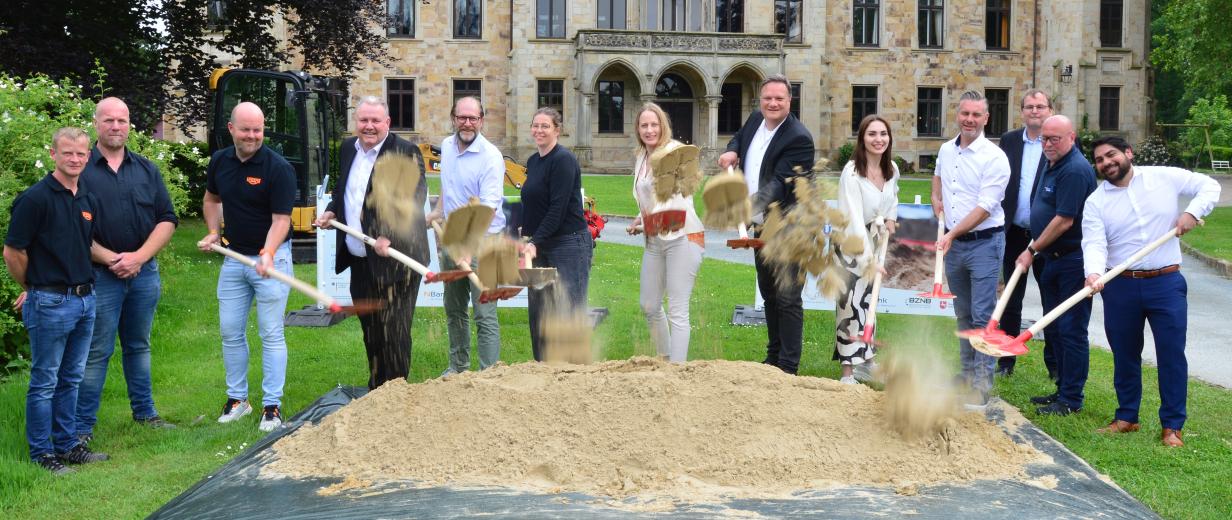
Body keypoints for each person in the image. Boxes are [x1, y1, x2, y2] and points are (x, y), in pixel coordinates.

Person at [1082, 136, 1219, 447]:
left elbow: (1209, 186)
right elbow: (1094, 242)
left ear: (1128, 153)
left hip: (1165, 283)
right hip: (1120, 285)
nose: (1106, 162)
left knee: (1171, 354)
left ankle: (1172, 426)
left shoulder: (1163, 177)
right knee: (1125, 354)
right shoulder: (1096, 202)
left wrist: (1192, 213)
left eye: (1111, 155)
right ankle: (1127, 417)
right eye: (1100, 160)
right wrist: (1093, 273)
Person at [73, 97, 179, 445]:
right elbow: (70, 226)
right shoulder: (80, 170)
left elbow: (167, 218)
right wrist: (111, 259)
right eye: (108, 121)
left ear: (130, 123)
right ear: (95, 124)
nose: (116, 126)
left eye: (122, 120)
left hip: (144, 274)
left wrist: (139, 257)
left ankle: (145, 414)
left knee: (138, 345)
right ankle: (82, 428)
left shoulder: (146, 169)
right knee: (97, 351)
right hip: (100, 276)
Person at [4, 127, 109, 474]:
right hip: (50, 303)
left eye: (81, 154)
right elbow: (13, 251)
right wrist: (34, 287)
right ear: (53, 154)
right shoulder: (35, 199)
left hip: (85, 300)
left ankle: (67, 445)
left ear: (88, 156)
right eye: (67, 153)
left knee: (71, 377)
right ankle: (42, 454)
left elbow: (83, 248)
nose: (75, 159)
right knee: (45, 380)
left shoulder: (87, 199)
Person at [314, 96, 427, 389]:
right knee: (371, 330)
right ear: (356, 122)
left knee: (394, 332)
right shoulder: (349, 150)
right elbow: (345, 190)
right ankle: (378, 389)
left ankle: (396, 393)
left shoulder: (405, 152)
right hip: (360, 259)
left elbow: (412, 201)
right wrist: (332, 211)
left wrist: (390, 232)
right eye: (364, 120)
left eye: (376, 120)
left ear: (387, 123)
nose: (369, 126)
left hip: (396, 261)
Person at [198, 102, 297, 432]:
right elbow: (212, 200)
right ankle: (237, 400)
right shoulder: (220, 162)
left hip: (271, 258)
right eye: (246, 129)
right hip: (233, 258)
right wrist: (214, 231)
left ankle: (272, 406)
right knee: (230, 331)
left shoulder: (277, 167)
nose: (253, 135)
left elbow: (282, 220)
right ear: (231, 129)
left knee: (270, 333)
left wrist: (267, 253)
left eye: (258, 129)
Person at [717, 74, 816, 375]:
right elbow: (741, 136)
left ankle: (787, 367)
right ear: (760, 100)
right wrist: (732, 149)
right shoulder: (756, 119)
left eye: (779, 99)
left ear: (789, 101)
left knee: (787, 297)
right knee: (769, 293)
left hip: (791, 227)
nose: (772, 103)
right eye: (767, 98)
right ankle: (772, 360)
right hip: (763, 227)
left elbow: (778, 185)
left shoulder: (799, 138)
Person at [931, 91, 1011, 409]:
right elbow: (938, 177)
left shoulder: (995, 158)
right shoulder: (946, 149)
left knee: (982, 315)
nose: (970, 120)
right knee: (963, 313)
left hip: (984, 244)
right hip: (956, 245)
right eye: (965, 113)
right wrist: (937, 199)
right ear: (958, 114)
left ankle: (981, 383)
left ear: (986, 119)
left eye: (976, 115)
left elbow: (984, 208)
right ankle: (965, 375)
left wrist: (952, 233)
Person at [1014, 115, 1097, 416]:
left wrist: (1031, 249)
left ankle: (1071, 399)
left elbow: (1064, 220)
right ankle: (1061, 390)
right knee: (1056, 328)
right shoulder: (1053, 163)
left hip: (1072, 262)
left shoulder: (1074, 170)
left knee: (1072, 329)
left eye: (1054, 139)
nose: (1047, 144)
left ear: (1071, 137)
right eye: (1044, 139)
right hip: (1053, 259)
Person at [426, 96, 504, 375]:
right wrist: (436, 214)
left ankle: (489, 375)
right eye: (462, 117)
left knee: (484, 313)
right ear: (453, 118)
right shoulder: (447, 146)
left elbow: (489, 208)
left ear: (481, 121)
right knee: (454, 308)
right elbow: (449, 187)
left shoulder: (491, 157)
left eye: (473, 118)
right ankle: (458, 368)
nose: (467, 123)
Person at [627, 103, 705, 363]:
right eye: (644, 125)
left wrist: (649, 223)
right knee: (649, 305)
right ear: (638, 129)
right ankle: (666, 357)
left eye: (654, 124)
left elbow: (679, 202)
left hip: (683, 237)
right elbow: (653, 197)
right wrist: (641, 217)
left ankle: (677, 369)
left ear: (663, 126)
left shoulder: (675, 153)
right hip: (655, 240)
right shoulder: (641, 158)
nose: (649, 130)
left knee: (677, 309)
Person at [520, 107, 593, 361]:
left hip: (569, 245)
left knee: (567, 312)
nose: (539, 130)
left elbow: (557, 208)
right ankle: (542, 370)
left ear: (557, 131)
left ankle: (572, 376)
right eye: (535, 125)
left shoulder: (563, 160)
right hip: (542, 245)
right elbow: (533, 204)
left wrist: (534, 242)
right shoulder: (532, 161)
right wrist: (525, 237)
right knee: (540, 312)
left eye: (545, 126)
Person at [834, 115, 899, 384]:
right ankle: (848, 370)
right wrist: (868, 259)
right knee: (849, 306)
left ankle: (868, 360)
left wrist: (891, 217)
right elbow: (852, 219)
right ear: (862, 139)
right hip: (851, 246)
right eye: (872, 134)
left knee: (869, 303)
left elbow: (891, 199)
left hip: (874, 241)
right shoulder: (851, 173)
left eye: (883, 133)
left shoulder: (891, 168)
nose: (878, 139)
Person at [995, 89, 1054, 379]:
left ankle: (1054, 366)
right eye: (1029, 106)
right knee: (1010, 299)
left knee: (1051, 300)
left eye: (1040, 106)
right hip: (1014, 233)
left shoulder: (1059, 141)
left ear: (1050, 110)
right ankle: (1005, 361)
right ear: (1022, 111)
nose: (1034, 111)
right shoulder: (1008, 141)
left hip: (1047, 236)